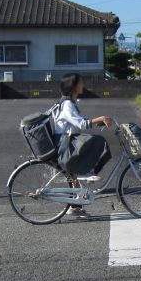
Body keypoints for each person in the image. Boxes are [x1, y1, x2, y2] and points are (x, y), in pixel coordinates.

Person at [55, 73, 114, 215]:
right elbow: (80, 123)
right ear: (74, 87)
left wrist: (99, 121)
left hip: (69, 141)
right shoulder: (68, 104)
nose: (83, 85)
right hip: (67, 144)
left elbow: (80, 121)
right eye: (81, 83)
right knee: (99, 141)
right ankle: (89, 171)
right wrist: (100, 118)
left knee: (73, 175)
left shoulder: (69, 102)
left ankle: (75, 206)